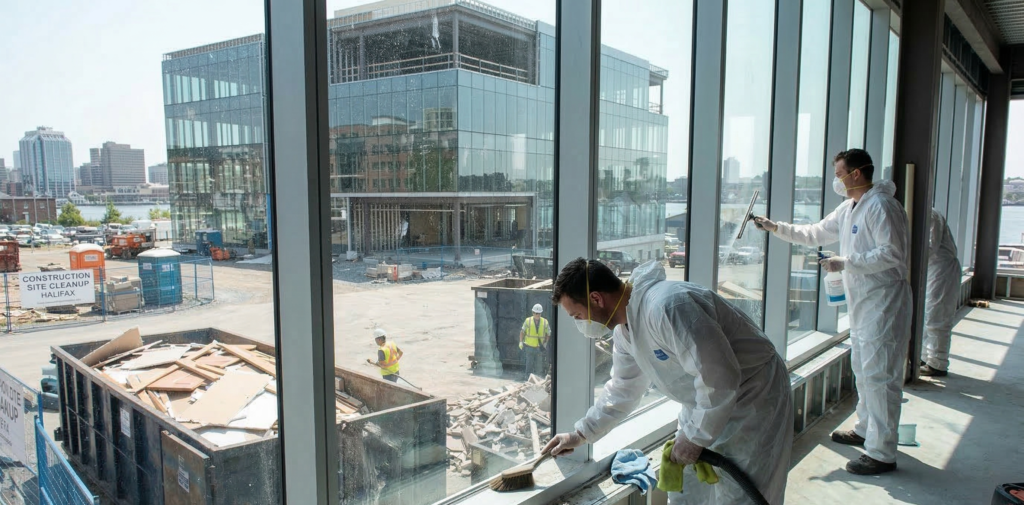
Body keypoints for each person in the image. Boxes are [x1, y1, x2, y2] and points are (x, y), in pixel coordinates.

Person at [544, 259, 792, 505]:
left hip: (753, 398)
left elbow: (720, 377)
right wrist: (581, 433)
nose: (580, 324)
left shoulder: (667, 307)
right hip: (704, 404)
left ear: (596, 299)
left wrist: (695, 436)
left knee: (743, 492)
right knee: (691, 492)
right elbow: (623, 389)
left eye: (577, 315)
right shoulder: (625, 330)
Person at [753, 148, 911, 475]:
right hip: (865, 303)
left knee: (880, 375)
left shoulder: (881, 207)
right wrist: (774, 227)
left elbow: (892, 254)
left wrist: (846, 262)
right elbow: (814, 233)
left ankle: (882, 452)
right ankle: (867, 429)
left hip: (884, 303)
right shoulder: (850, 208)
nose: (836, 180)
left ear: (856, 174)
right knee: (865, 370)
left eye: (839, 173)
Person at [921, 208, 961, 377]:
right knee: (927, 315)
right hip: (935, 270)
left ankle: (938, 363)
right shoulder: (927, 215)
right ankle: (925, 357)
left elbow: (930, 246)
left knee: (936, 316)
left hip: (941, 271)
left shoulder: (929, 215)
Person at [519, 303, 551, 379]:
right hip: (529, 347)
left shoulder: (545, 322)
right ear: (533, 313)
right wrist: (521, 342)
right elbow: (522, 331)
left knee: (539, 366)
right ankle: (528, 380)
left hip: (539, 348)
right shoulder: (528, 321)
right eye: (536, 313)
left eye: (539, 313)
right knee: (529, 365)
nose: (537, 315)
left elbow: (548, 333)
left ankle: (538, 381)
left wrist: (545, 343)